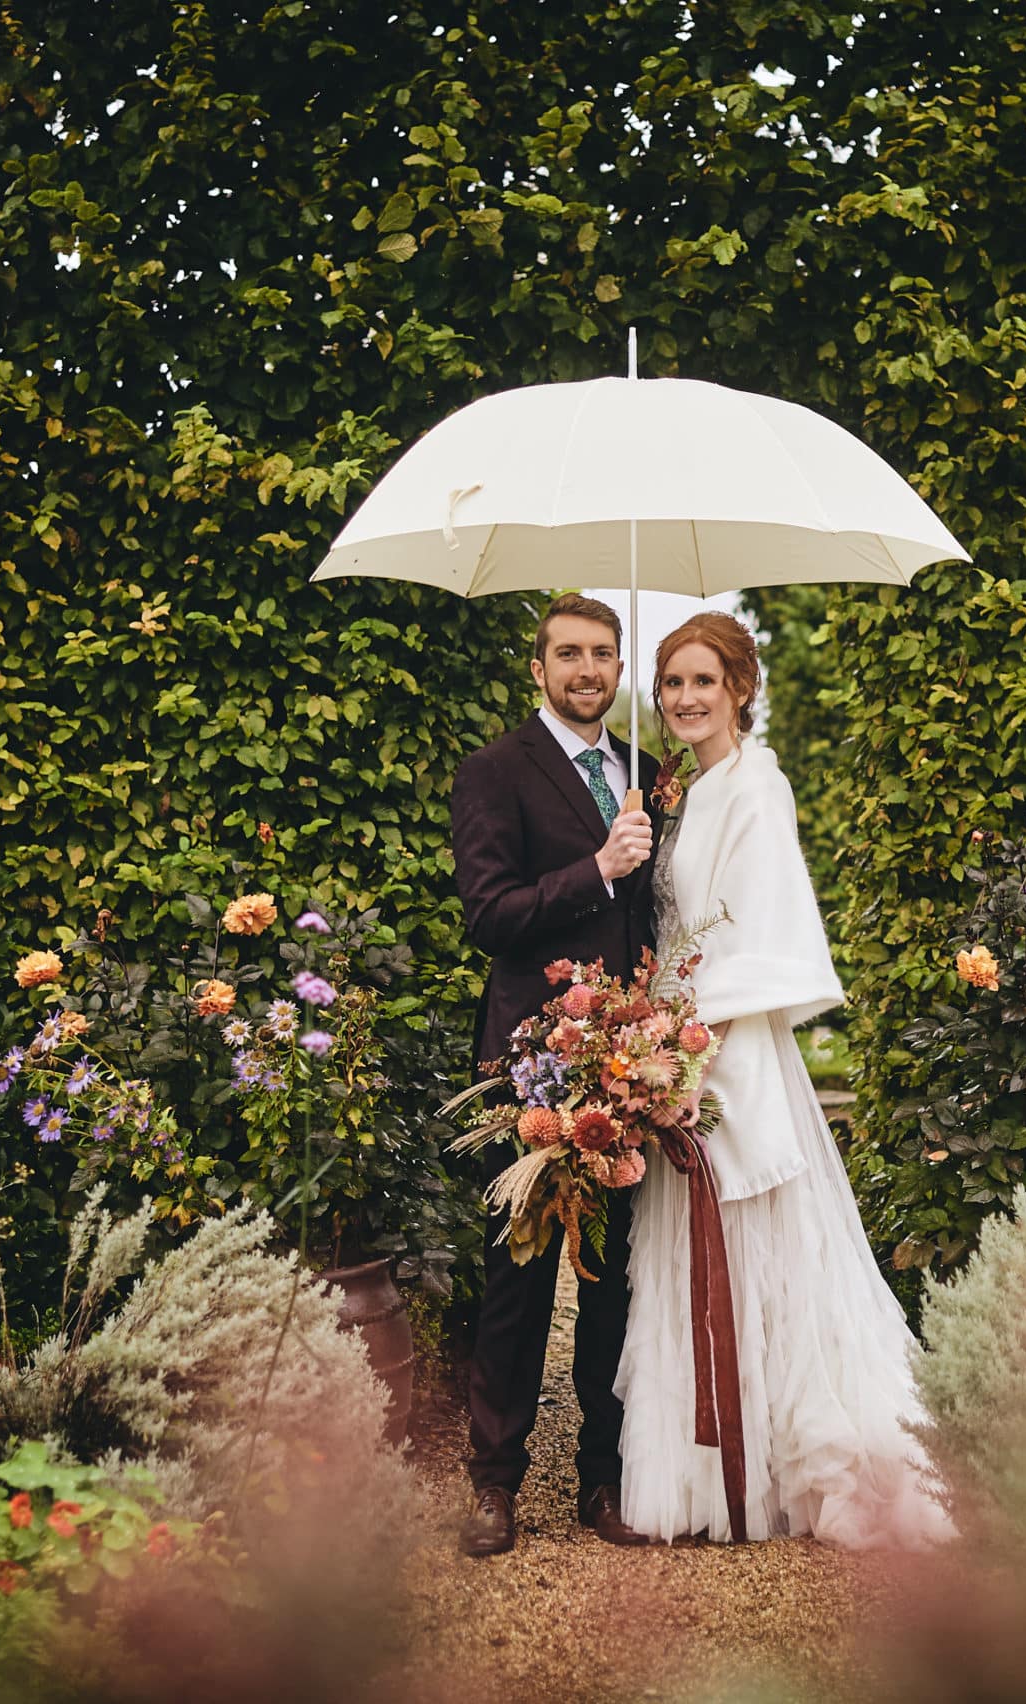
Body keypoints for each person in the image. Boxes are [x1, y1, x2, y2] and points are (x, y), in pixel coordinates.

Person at [615, 611, 954, 1547]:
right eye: (671, 683)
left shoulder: (758, 789)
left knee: (760, 1247)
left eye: (702, 683)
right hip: (675, 1037)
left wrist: (684, 1051)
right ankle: (719, 1464)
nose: (683, 699)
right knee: (698, 1246)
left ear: (740, 691)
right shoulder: (689, 791)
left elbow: (755, 939)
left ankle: (791, 1459)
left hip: (725, 1052)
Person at [448, 592, 661, 1557]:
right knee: (515, 1283)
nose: (587, 670)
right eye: (568, 654)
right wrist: (599, 867)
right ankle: (495, 1484)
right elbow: (489, 914)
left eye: (603, 655)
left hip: (628, 1062)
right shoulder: (494, 772)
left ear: (620, 670)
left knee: (614, 1282)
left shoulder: (645, 775)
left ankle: (603, 1481)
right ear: (537, 669)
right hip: (530, 1062)